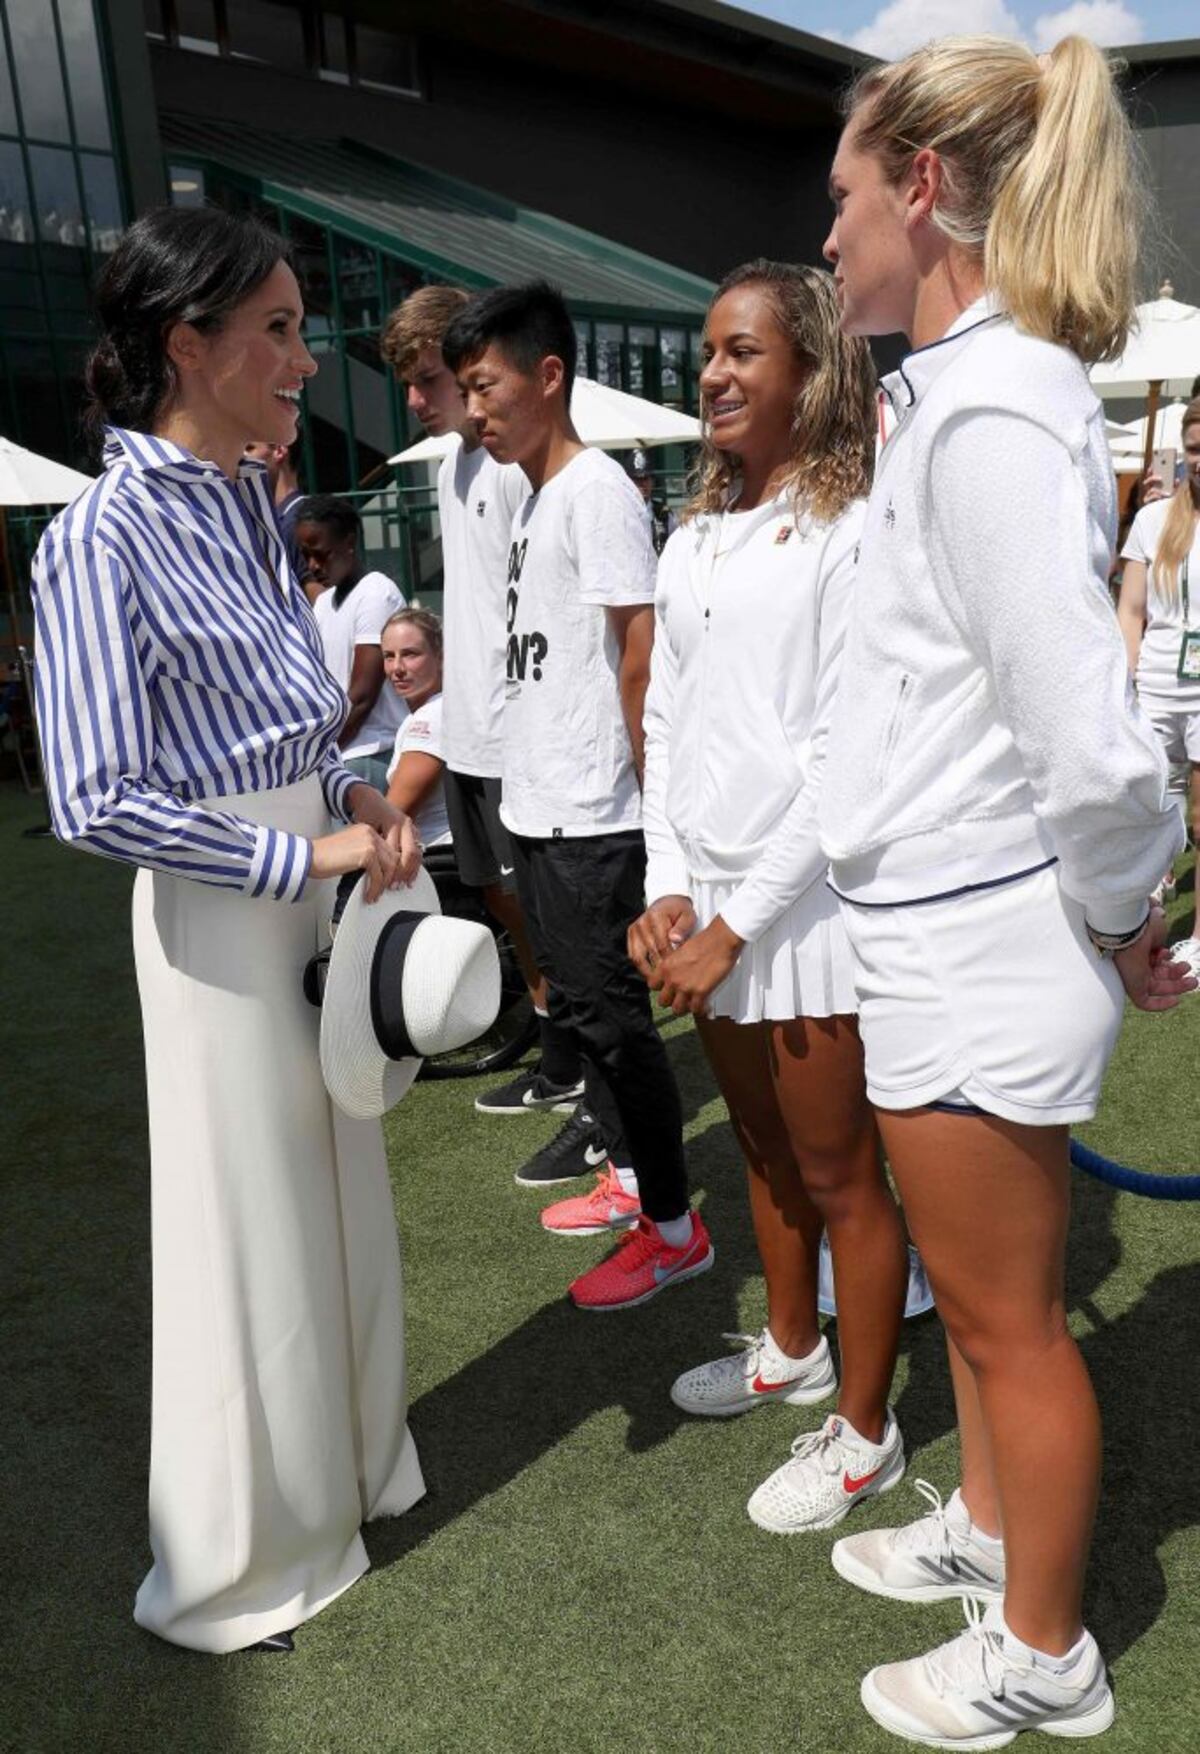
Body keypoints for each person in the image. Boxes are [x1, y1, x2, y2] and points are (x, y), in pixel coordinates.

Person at [815, 33, 1193, 1746]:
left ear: (918, 190)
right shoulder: (966, 404)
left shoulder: (987, 422)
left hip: (982, 933)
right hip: (945, 926)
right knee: (979, 1305)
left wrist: (1128, 909)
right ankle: (985, 1528)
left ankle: (1046, 1646)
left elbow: (1092, 739)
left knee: (1008, 1316)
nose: (826, 242)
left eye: (839, 200)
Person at [30, 205, 427, 1654]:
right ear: (182, 344)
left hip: (311, 883)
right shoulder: (95, 535)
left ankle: (354, 1470)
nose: (303, 359)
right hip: (217, 918)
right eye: (274, 327)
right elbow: (91, 793)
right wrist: (295, 849)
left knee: (344, 1189)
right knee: (246, 1216)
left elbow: (289, 723)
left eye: (298, 325)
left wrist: (359, 790)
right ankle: (251, 1544)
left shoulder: (256, 510)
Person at [626, 259, 910, 1523]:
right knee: (759, 1147)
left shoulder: (858, 530)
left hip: (813, 912)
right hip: (718, 918)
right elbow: (669, 728)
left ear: (812, 367)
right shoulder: (689, 537)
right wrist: (669, 890)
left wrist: (737, 923)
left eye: (745, 351)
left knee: (844, 1172)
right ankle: (790, 1345)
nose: (715, 373)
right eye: (709, 352)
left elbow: (851, 756)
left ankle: (865, 1431)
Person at [443, 280, 712, 1311]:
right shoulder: (538, 494)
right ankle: (637, 1180)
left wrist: (653, 806)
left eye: (485, 385)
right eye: (466, 390)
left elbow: (638, 649)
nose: (475, 410)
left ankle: (675, 1228)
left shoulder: (596, 490)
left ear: (548, 377)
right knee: (586, 1013)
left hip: (597, 813)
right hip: (542, 801)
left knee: (616, 1020)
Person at [381, 287, 590, 1158]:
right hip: (467, 729)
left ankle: (587, 1071)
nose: (422, 400)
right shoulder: (451, 467)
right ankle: (557, 1052)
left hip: (517, 736)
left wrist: (525, 725)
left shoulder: (517, 467)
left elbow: (541, 609)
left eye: (433, 379)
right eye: (417, 384)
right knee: (511, 907)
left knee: (555, 916)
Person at [1118, 395, 1200, 966]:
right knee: (1152, 808)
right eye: (1195, 448)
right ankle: (1146, 912)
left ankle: (1196, 940)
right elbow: (1131, 612)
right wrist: (1125, 683)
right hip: (1154, 687)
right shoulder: (1152, 521)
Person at [296, 494, 407, 789]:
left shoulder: (376, 593)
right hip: (339, 756)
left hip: (371, 754)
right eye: (306, 555)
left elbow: (361, 698)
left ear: (349, 541)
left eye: (321, 554)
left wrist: (320, 752)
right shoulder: (323, 603)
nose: (313, 565)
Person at [382, 607, 452, 849]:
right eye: (389, 656)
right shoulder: (435, 710)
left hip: (438, 860)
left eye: (410, 654)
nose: (397, 668)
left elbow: (392, 815)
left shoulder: (432, 717)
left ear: (441, 657)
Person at [245, 437, 305, 579]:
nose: (242, 456)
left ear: (279, 451)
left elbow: (319, 596)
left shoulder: (299, 522)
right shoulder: (271, 520)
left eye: (249, 448)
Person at [626, 447, 676, 555]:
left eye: (646, 478)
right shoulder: (623, 511)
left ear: (652, 481)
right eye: (637, 479)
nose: (642, 484)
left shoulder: (664, 514)